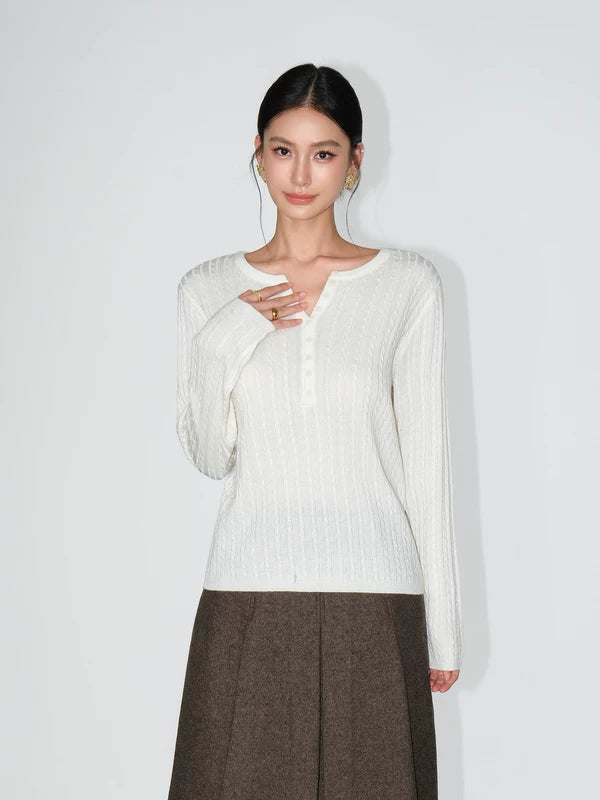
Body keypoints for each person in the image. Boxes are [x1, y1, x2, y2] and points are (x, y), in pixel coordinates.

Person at [167, 63, 464, 800]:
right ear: (259, 153)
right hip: (246, 593)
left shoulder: (407, 285)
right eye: (283, 150)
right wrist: (227, 334)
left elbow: (428, 464)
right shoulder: (207, 289)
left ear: (355, 160)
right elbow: (210, 455)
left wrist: (444, 627)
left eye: (323, 152)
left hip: (377, 599)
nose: (301, 174)